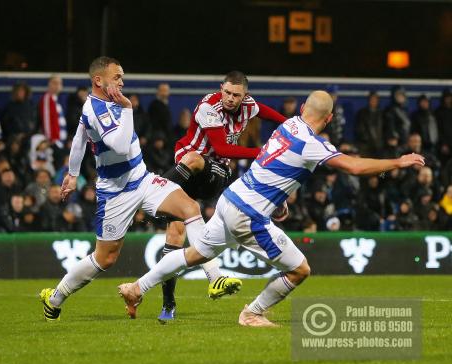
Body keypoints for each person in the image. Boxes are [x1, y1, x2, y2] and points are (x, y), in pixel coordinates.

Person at [118, 90, 425, 325]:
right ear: (329, 119)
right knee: (299, 270)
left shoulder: (290, 125)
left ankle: (137, 288)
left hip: (231, 198)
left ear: (303, 109)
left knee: (193, 254)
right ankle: (252, 313)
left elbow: (271, 162)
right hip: (248, 213)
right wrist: (397, 161)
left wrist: (275, 204)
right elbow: (354, 167)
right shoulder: (312, 143)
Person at [38, 57, 226, 321]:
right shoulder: (98, 109)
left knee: (190, 208)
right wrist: (127, 109)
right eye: (117, 77)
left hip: (142, 179)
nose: (122, 82)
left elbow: (79, 138)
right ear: (99, 81)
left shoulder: (98, 106)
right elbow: (120, 145)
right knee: (105, 259)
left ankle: (215, 278)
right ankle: (55, 297)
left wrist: (72, 173)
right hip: (115, 193)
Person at [157, 71, 287, 322]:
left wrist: (295, 128)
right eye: (226, 92)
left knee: (200, 168)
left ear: (244, 96)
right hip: (188, 167)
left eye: (235, 95)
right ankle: (169, 304)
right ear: (221, 88)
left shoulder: (250, 106)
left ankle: (154, 196)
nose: (229, 98)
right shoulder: (209, 106)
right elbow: (223, 147)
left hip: (216, 172)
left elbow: (278, 119)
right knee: (175, 234)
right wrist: (264, 152)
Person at [38, 76, 67, 146]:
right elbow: (46, 120)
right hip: (54, 142)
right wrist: (51, 140)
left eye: (59, 83)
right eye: (55, 83)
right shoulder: (47, 98)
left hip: (60, 141)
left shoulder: (55, 99)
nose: (57, 86)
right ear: (49, 84)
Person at [355, 91, 384, 157]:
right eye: (372, 99)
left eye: (375, 99)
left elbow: (385, 129)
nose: (373, 101)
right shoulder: (362, 113)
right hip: (366, 146)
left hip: (380, 147)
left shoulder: (382, 114)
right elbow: (360, 130)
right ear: (368, 100)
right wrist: (367, 140)